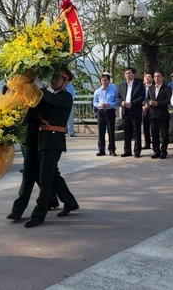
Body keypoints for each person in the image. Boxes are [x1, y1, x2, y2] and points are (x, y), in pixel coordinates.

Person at [23, 67, 80, 228]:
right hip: (43, 140)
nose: (54, 81)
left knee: (45, 178)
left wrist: (40, 86)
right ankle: (70, 202)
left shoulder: (66, 97)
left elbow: (50, 99)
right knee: (53, 175)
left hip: (54, 142)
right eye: (53, 78)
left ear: (65, 81)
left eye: (58, 79)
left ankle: (39, 213)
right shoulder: (50, 95)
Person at [116, 67, 145, 157]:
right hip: (125, 111)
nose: (127, 75)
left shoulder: (139, 85)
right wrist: (122, 102)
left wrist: (132, 103)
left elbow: (142, 97)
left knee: (136, 131)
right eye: (126, 73)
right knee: (126, 132)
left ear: (133, 74)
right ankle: (127, 150)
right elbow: (118, 97)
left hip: (135, 110)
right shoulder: (121, 85)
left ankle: (137, 151)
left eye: (129, 73)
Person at [146, 71, 172, 159]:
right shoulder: (151, 88)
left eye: (159, 76)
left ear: (163, 78)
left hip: (162, 115)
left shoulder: (167, 88)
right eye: (155, 76)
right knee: (154, 134)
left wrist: (158, 103)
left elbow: (168, 101)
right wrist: (149, 102)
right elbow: (147, 99)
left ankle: (164, 150)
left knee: (164, 134)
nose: (157, 78)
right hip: (152, 115)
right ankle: (156, 150)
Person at [92, 72, 118, 156]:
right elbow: (94, 102)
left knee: (111, 131)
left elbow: (117, 102)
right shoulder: (97, 91)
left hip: (110, 111)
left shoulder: (114, 89)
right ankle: (101, 149)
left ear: (109, 81)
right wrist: (100, 105)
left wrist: (109, 105)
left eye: (105, 80)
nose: (104, 82)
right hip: (101, 112)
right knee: (101, 131)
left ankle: (112, 149)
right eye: (102, 80)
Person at [141, 73, 154, 149]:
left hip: (152, 109)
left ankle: (155, 143)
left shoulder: (154, 87)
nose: (147, 78)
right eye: (146, 77)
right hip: (143, 110)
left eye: (149, 76)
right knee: (145, 127)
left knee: (153, 127)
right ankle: (147, 143)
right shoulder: (142, 88)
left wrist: (147, 105)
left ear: (152, 79)